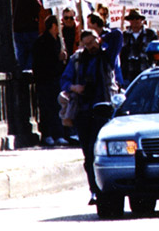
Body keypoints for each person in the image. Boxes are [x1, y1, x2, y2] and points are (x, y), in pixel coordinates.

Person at [60, 27, 123, 204]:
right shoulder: (77, 59)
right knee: (88, 153)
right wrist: (74, 88)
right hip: (83, 111)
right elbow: (64, 80)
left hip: (104, 110)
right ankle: (94, 190)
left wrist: (101, 38)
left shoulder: (107, 55)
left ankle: (106, 188)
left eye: (92, 42)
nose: (90, 47)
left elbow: (117, 35)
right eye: (86, 44)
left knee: (101, 151)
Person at [32, 15, 68, 146]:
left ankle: (59, 134)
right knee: (47, 108)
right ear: (53, 26)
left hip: (57, 79)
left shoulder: (59, 40)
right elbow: (40, 62)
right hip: (45, 80)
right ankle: (47, 134)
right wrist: (56, 58)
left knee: (57, 107)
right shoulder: (41, 41)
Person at [120, 9, 156, 86]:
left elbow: (156, 53)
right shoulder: (124, 35)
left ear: (141, 20)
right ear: (129, 21)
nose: (135, 21)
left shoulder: (150, 34)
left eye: (137, 18)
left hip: (145, 72)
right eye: (132, 19)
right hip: (128, 74)